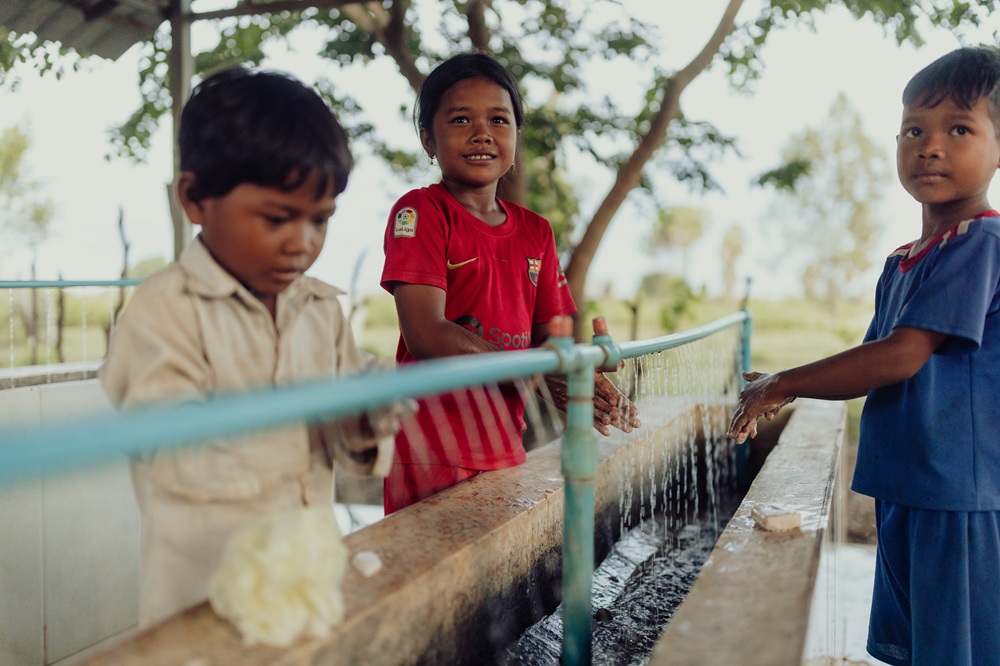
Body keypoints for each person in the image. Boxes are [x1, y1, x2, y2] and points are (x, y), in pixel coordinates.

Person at [100, 66, 401, 628]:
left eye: (320, 219)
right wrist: (311, 422)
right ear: (194, 199)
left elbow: (349, 450)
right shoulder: (164, 310)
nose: (302, 243)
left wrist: (362, 421)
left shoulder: (321, 310)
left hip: (305, 591)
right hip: (205, 604)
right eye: (277, 217)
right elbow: (171, 458)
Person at [729, 46, 1000, 666]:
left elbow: (901, 356)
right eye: (913, 129)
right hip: (907, 485)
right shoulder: (904, 259)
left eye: (960, 129)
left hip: (958, 497)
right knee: (914, 649)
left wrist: (783, 381)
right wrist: (788, 381)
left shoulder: (981, 242)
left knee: (957, 650)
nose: (929, 145)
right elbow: (874, 351)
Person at [380, 51, 640, 514]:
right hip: (431, 447)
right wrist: (533, 368)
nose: (482, 133)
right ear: (428, 139)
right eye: (461, 119)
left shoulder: (535, 230)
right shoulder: (421, 213)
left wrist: (579, 379)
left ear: (516, 136)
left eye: (499, 120)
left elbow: (551, 337)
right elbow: (426, 333)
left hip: (504, 443)